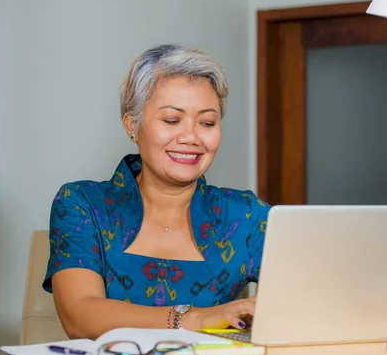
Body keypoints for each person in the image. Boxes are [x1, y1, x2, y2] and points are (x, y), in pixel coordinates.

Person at [42, 43, 271, 340]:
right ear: (132, 125)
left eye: (207, 122)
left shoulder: (246, 214)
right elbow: (80, 316)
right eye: (172, 120)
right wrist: (196, 318)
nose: (191, 137)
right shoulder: (82, 205)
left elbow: (313, 301)